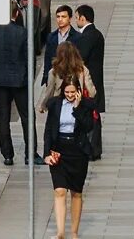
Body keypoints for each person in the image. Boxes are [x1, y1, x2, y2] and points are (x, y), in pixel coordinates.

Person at [0, 14, 42, 166]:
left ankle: (7, 155)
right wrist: (29, 78)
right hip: (19, 80)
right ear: (16, 14)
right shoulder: (22, 32)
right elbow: (29, 58)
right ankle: (30, 154)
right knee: (27, 118)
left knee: (3, 118)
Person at [43, 77, 98, 239]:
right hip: (59, 150)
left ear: (79, 91)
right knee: (59, 191)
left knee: (76, 192)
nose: (70, 95)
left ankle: (73, 232)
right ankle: (60, 232)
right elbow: (48, 130)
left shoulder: (87, 105)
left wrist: (78, 107)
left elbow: (88, 126)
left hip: (77, 151)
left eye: (73, 92)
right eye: (67, 92)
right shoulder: (54, 104)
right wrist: (47, 153)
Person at [74, 5, 105, 160]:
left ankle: (92, 149)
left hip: (89, 82)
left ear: (83, 18)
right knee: (93, 114)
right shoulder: (95, 34)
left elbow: (81, 57)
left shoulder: (88, 36)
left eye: (76, 17)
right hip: (94, 80)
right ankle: (93, 148)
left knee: (91, 115)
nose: (76, 20)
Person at [37, 41, 96, 112]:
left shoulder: (54, 71)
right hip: (78, 105)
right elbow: (92, 92)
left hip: (59, 107)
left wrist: (43, 106)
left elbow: (49, 91)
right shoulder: (82, 69)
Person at [42, 5, 82, 85]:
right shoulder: (51, 37)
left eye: (63, 17)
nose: (60, 19)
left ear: (70, 18)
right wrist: (46, 76)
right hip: (54, 76)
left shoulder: (78, 37)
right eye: (58, 17)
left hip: (71, 77)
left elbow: (80, 58)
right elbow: (47, 58)